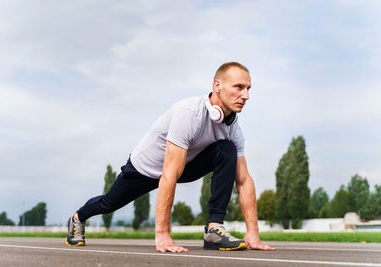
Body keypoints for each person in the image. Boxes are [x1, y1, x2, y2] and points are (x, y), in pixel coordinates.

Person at [66, 62, 275, 252]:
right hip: (145, 168)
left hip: (186, 165)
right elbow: (168, 174)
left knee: (226, 149)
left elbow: (244, 180)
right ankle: (78, 217)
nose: (246, 95)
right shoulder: (189, 113)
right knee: (108, 203)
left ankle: (214, 229)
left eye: (248, 89)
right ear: (217, 86)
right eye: (239, 87)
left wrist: (253, 233)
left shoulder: (232, 128)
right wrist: (163, 235)